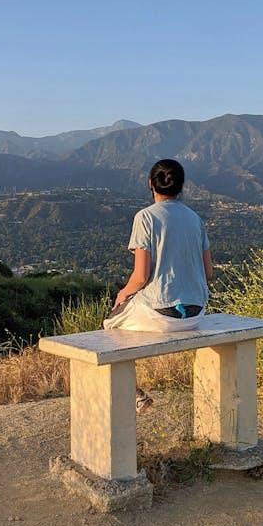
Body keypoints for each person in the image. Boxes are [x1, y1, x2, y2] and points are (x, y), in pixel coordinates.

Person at [104, 159, 214, 412]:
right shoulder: (195, 219)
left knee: (109, 328)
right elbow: (208, 272)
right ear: (181, 186)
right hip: (196, 313)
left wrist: (122, 294)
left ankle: (136, 396)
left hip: (161, 314)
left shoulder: (145, 218)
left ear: (150, 183)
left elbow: (141, 277)